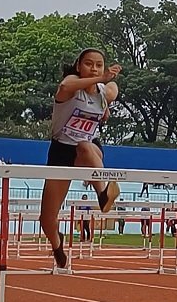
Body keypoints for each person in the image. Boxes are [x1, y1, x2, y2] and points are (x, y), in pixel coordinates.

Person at [39, 48, 121, 268]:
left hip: (89, 150)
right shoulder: (71, 86)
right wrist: (101, 78)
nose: (94, 68)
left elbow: (112, 89)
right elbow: (65, 86)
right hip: (61, 151)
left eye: (98, 65)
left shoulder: (103, 91)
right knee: (46, 220)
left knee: (85, 145)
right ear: (78, 66)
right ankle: (57, 244)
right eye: (88, 64)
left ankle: (103, 193)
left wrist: (107, 93)